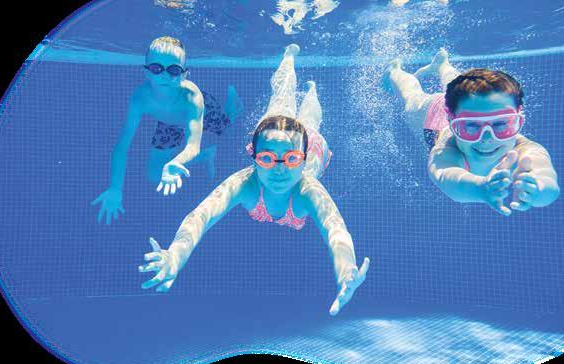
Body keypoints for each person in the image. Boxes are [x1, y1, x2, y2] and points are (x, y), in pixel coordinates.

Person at [138, 44, 370, 316]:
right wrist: (175, 256)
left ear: (302, 159)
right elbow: (200, 216)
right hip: (278, 135)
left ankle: (312, 91)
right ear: (253, 156)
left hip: (311, 144)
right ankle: (289, 57)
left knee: (310, 121)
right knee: (280, 99)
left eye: (291, 160)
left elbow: (336, 230)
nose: (280, 170)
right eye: (268, 159)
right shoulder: (245, 184)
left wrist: (346, 271)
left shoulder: (308, 190)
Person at [382, 48, 560, 216]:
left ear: (518, 120)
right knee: (411, 96)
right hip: (432, 116)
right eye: (472, 126)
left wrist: (538, 189)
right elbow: (446, 176)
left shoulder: (526, 149)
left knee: (461, 90)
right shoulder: (448, 147)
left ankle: (442, 65)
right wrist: (480, 189)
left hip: (464, 107)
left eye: (500, 124)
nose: (487, 139)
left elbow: (547, 180)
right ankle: (395, 70)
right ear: (451, 123)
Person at [93, 36, 243, 225]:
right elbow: (122, 146)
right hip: (169, 123)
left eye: (173, 70)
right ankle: (206, 156)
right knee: (154, 175)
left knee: (227, 128)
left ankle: (232, 107)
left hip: (201, 113)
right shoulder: (140, 98)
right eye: (157, 68)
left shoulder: (192, 98)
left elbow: (192, 145)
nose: (164, 75)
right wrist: (115, 188)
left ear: (184, 74)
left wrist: (176, 161)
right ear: (147, 72)